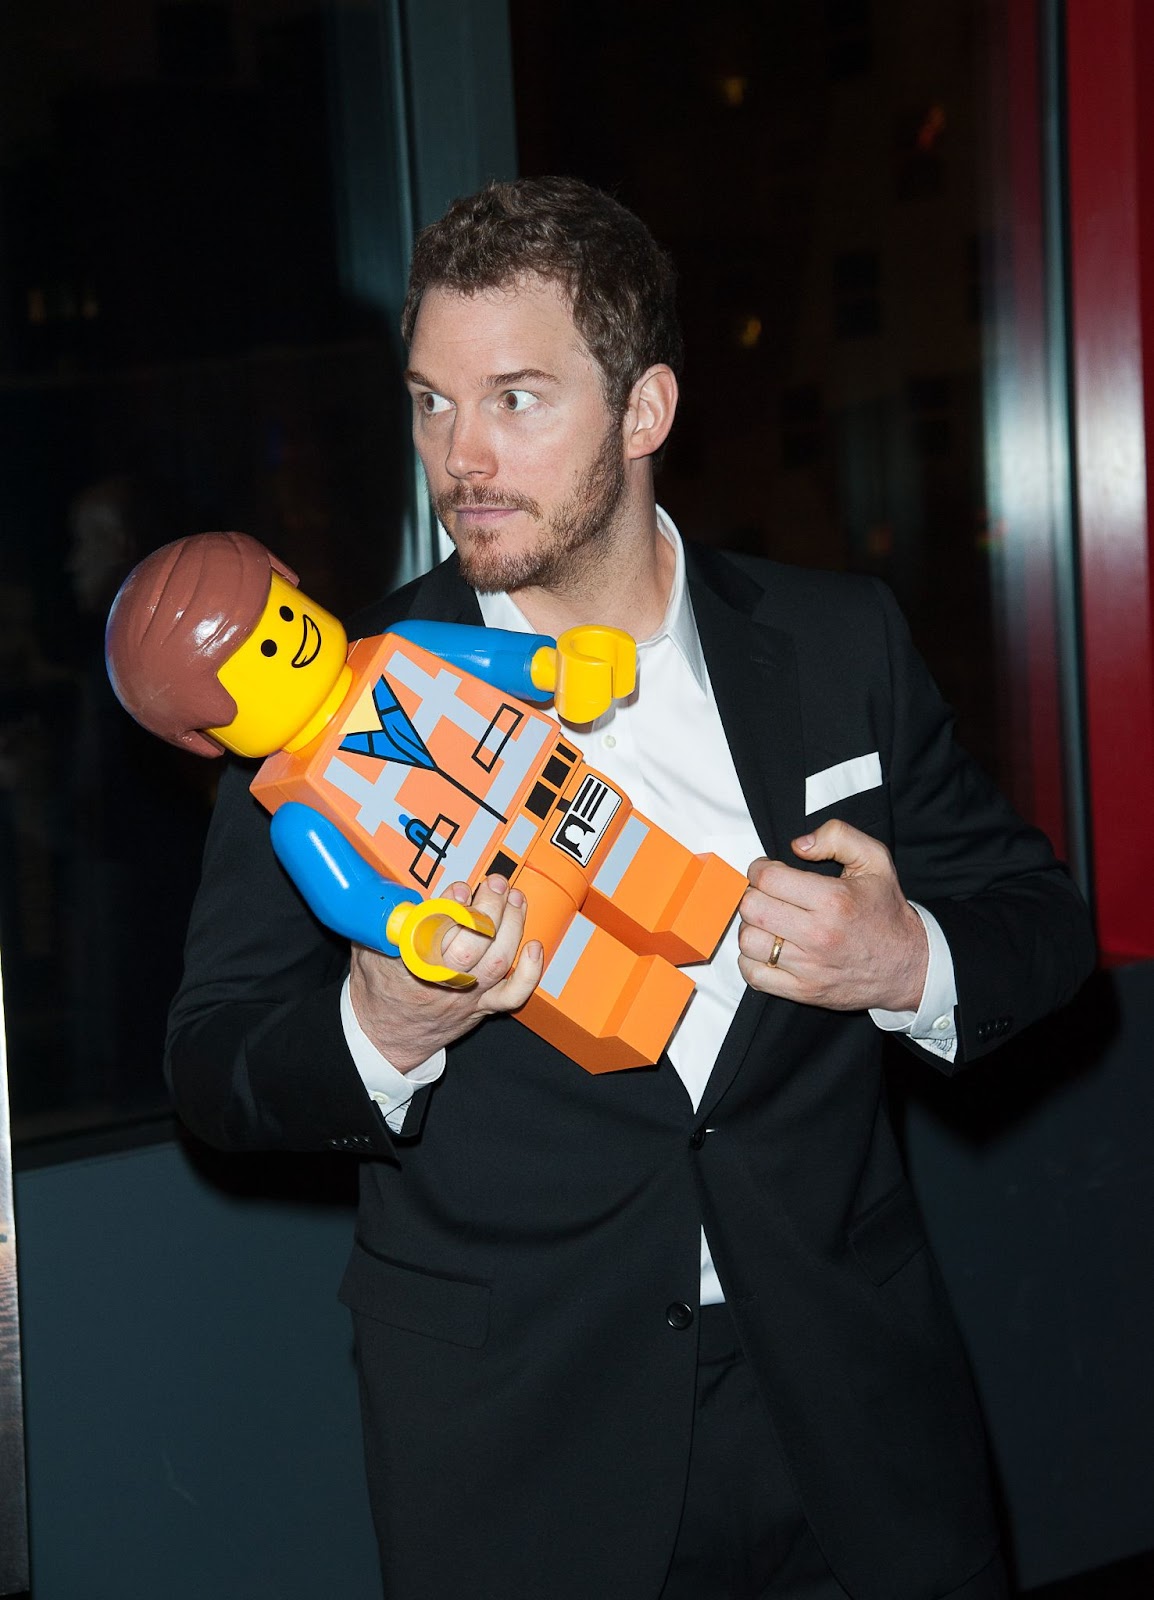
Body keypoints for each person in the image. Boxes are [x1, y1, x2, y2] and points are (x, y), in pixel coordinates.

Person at [165, 177, 1096, 1600]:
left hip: (849, 1409)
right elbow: (217, 1065)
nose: (461, 456)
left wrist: (908, 963)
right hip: (523, 1447)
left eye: (516, 398)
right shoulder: (321, 720)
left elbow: (1040, 927)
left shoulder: (837, 640)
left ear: (645, 409)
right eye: (430, 403)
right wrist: (383, 1032)